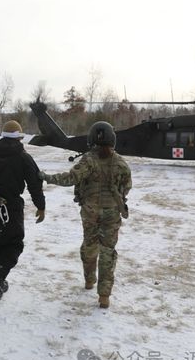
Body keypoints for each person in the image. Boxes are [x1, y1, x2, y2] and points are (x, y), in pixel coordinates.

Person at [39, 121, 132, 309]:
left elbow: (70, 179)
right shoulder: (121, 163)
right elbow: (127, 188)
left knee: (89, 246)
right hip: (112, 214)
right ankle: (104, 295)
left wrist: (46, 177)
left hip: (90, 213)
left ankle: (89, 280)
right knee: (108, 251)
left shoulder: (88, 160)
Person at [0, 120, 45, 300]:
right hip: (11, 207)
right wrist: (41, 205)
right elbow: (34, 184)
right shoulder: (23, 157)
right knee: (14, 243)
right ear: (19, 138)